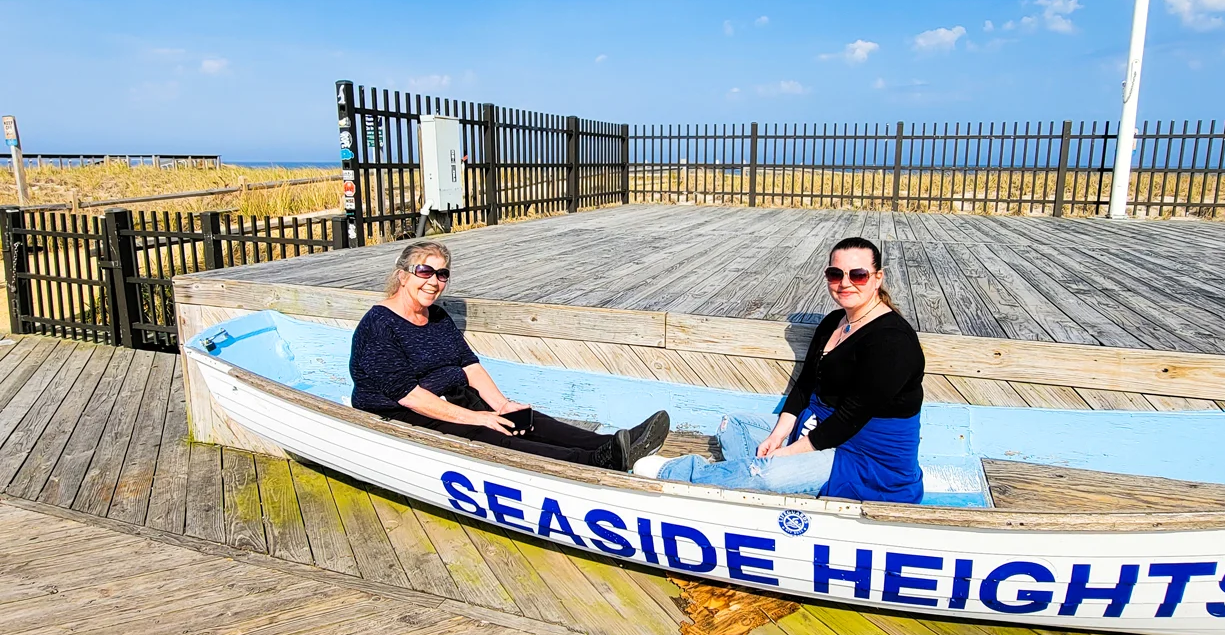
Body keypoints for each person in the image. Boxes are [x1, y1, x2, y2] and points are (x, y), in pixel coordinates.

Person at [635, 236, 925, 503]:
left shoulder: (893, 343)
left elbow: (848, 421)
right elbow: (804, 386)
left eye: (858, 275)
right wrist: (777, 436)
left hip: (866, 460)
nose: (845, 283)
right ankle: (765, 484)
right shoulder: (834, 322)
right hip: (816, 428)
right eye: (835, 274)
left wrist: (783, 456)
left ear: (877, 278)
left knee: (768, 471)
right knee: (733, 425)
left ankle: (682, 473)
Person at [350, 240, 669, 471]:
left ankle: (611, 444)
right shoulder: (380, 325)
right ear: (403, 275)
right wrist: (479, 416)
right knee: (490, 431)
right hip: (401, 412)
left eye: (442, 274)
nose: (434, 282)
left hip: (450, 398)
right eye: (425, 271)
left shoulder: (437, 317)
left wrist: (501, 405)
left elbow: (469, 365)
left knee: (521, 419)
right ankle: (592, 463)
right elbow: (409, 397)